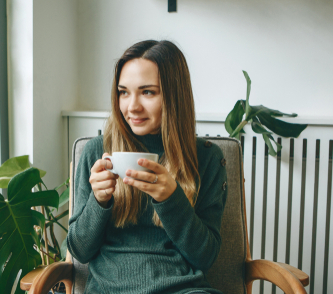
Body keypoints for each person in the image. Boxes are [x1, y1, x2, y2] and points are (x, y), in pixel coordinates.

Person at [66, 40, 228, 294]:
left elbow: (205, 257)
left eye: (148, 92)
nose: (132, 107)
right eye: (123, 92)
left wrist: (171, 199)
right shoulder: (98, 153)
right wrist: (99, 202)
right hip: (110, 290)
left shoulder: (206, 158)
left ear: (175, 96)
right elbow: (80, 251)